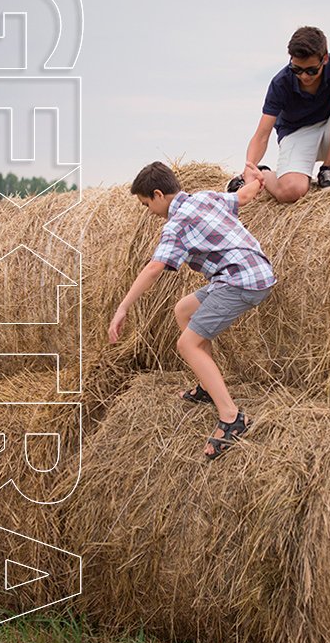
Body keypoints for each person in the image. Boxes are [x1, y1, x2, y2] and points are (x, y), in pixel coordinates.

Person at [108, 161, 275, 459]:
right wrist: (255, 179)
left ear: (158, 194)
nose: (149, 211)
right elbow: (244, 196)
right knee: (184, 310)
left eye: (147, 204)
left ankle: (231, 417)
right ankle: (207, 385)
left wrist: (123, 308)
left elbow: (155, 267)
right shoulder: (203, 197)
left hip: (241, 280)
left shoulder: (176, 224)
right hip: (250, 271)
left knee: (187, 344)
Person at [229, 25, 330, 203]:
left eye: (311, 71)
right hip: (297, 134)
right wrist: (249, 167)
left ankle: (328, 170)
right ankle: (263, 173)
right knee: (291, 192)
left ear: (324, 59)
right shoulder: (281, 82)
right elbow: (262, 134)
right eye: (297, 70)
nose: (304, 76)